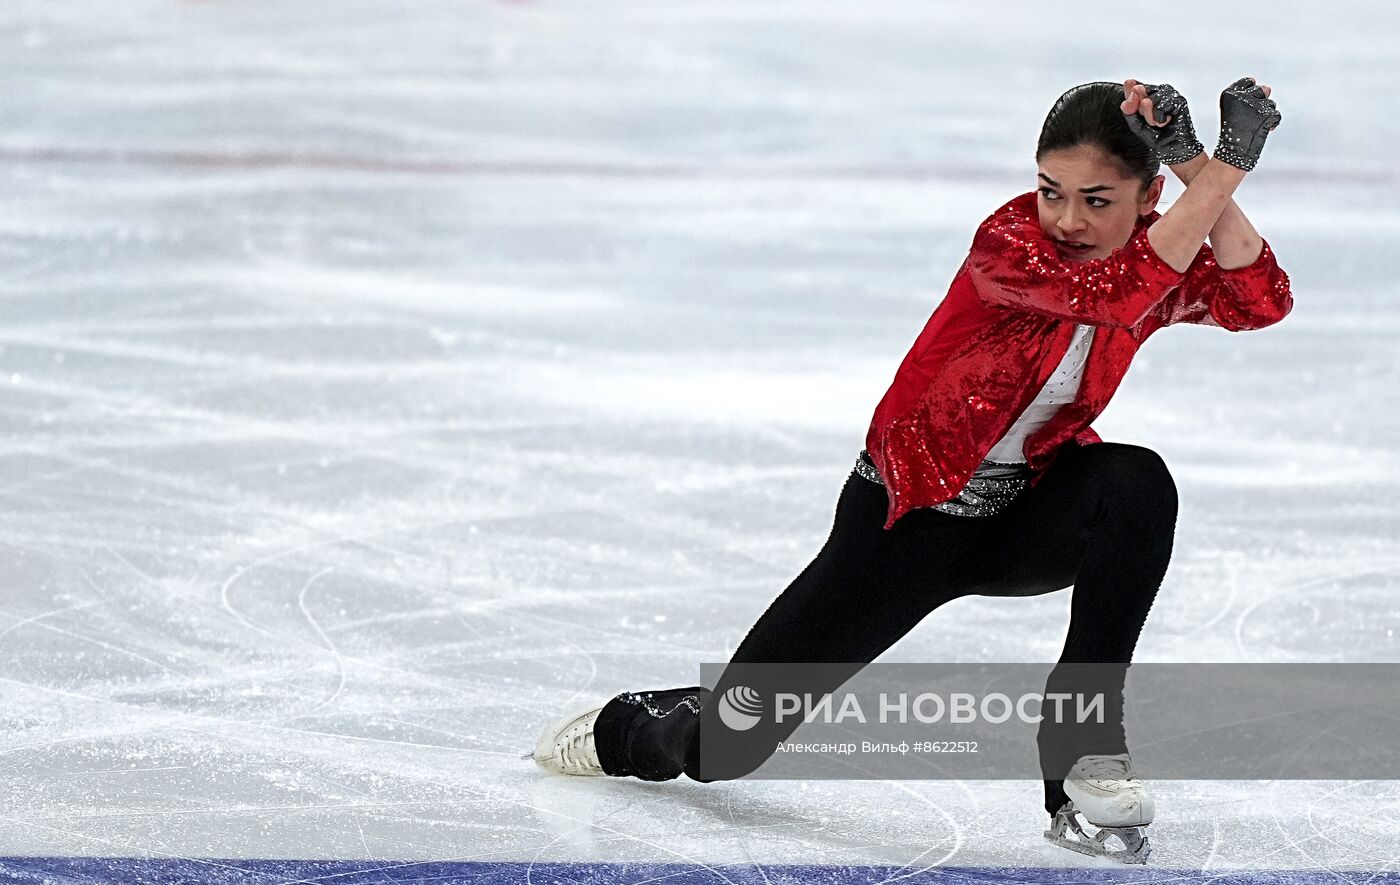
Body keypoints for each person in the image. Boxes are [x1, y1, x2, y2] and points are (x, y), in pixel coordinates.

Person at [529, 77, 1289, 864]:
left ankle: (1082, 742)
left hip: (1023, 516)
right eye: (1050, 190)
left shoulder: (1147, 257)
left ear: (1148, 194)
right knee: (727, 747)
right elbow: (1109, 292)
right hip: (902, 525)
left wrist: (1201, 160)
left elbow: (1257, 297)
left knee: (1135, 483)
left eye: (1097, 200)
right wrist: (1230, 164)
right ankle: (634, 724)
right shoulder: (1010, 244)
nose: (1066, 219)